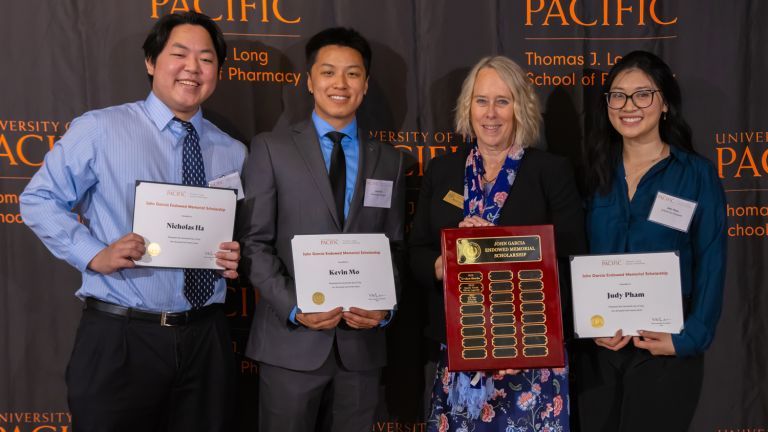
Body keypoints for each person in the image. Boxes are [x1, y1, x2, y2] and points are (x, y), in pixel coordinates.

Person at [19, 12, 246, 432]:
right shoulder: (101, 129)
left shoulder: (232, 151)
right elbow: (38, 198)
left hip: (205, 338)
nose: (193, 68)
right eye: (179, 54)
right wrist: (94, 254)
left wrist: (234, 253)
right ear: (150, 61)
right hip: (121, 335)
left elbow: (235, 230)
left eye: (207, 59)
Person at [237, 27, 405, 432]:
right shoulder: (271, 149)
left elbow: (394, 247)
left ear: (365, 85)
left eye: (352, 73)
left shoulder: (390, 161)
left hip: (360, 351)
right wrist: (296, 306)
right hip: (290, 345)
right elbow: (254, 244)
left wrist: (384, 308)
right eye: (328, 72)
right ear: (310, 81)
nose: (340, 84)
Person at [409, 55, 586, 432]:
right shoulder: (442, 171)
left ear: (521, 107)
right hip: (461, 354)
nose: (491, 113)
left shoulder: (550, 172)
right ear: (467, 107)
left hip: (530, 360)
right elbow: (416, 252)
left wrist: (522, 343)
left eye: (503, 101)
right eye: (482, 100)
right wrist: (443, 263)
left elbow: (571, 259)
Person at [575, 50, 727, 431]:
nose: (629, 106)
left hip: (666, 349)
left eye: (643, 94)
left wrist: (688, 338)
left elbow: (712, 260)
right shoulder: (590, 173)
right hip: (598, 350)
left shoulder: (696, 174)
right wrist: (587, 326)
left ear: (664, 104)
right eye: (618, 95)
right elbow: (571, 255)